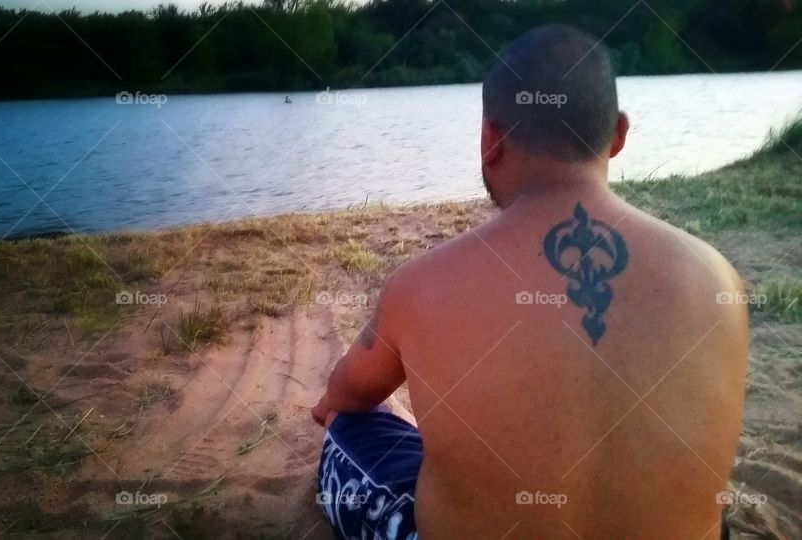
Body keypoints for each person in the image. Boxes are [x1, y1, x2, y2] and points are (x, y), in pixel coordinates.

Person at [312, 24, 747, 539]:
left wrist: (332, 409)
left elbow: (350, 393)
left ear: (490, 139)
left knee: (350, 429)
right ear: (619, 135)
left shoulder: (422, 284)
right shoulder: (719, 277)